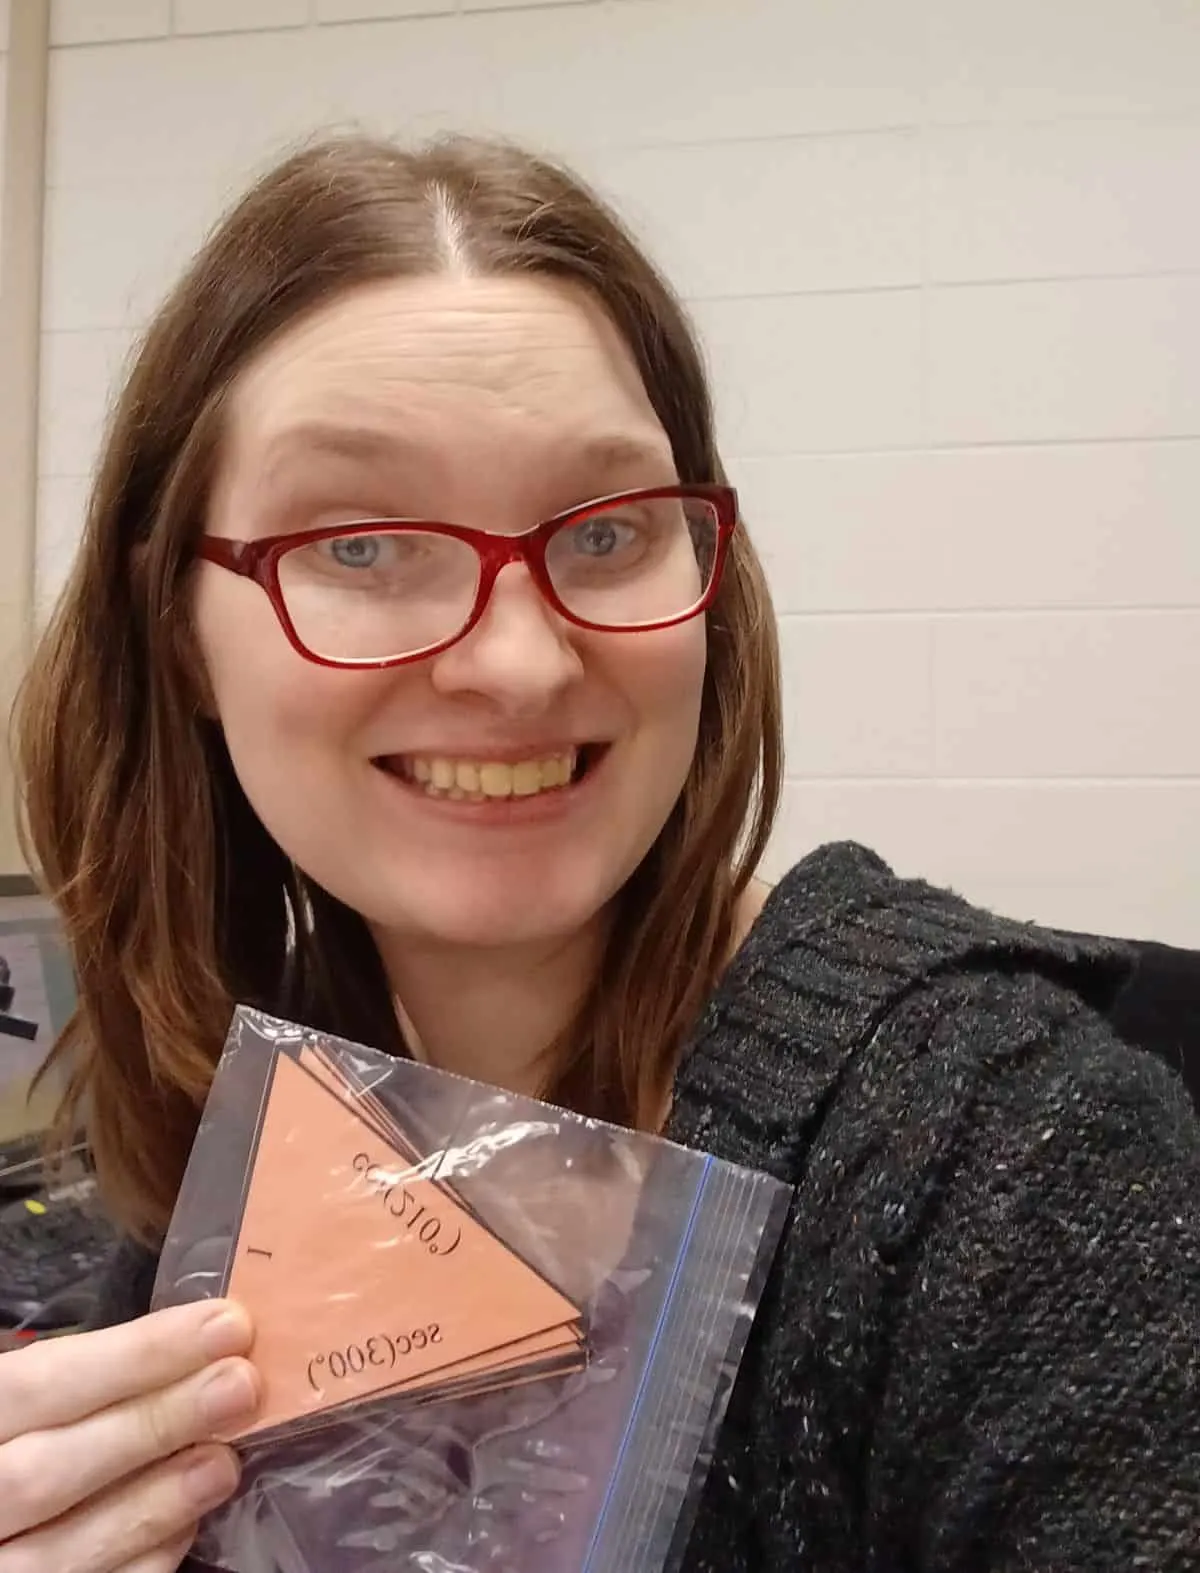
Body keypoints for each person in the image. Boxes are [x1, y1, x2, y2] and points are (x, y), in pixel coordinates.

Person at [5, 133, 1199, 1573]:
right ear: (178, 632)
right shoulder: (228, 1141)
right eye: (364, 545)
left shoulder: (1015, 1164)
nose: (515, 662)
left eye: (610, 529)